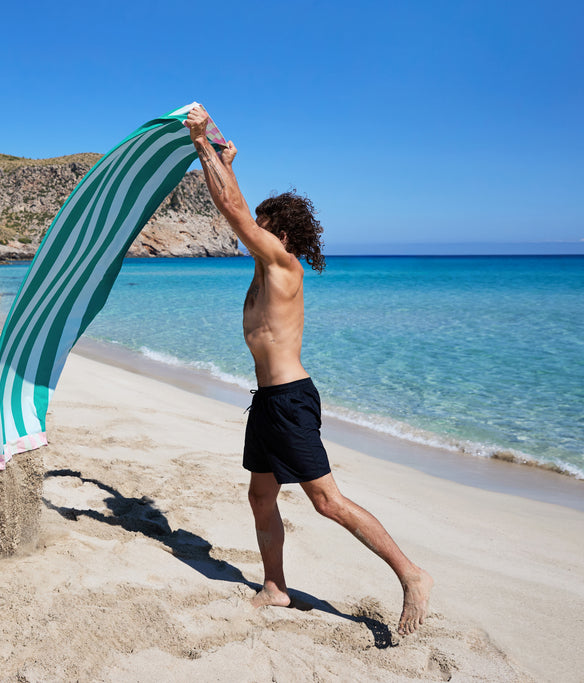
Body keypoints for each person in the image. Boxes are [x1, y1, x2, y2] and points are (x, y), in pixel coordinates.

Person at [184, 105, 433, 636]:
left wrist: (201, 144)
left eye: (263, 226)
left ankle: (411, 574)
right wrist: (229, 161)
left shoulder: (282, 264)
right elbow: (242, 209)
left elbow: (234, 213)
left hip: (291, 399)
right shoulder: (264, 266)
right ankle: (276, 588)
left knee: (326, 501)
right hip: (268, 402)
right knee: (260, 494)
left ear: (280, 233)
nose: (252, 231)